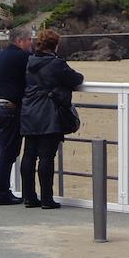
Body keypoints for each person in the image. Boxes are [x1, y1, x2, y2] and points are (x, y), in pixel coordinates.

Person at [19, 29, 84, 209]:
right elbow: (76, 79)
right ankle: (47, 198)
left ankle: (29, 197)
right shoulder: (55, 64)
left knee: (29, 155)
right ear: (55, 45)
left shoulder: (30, 61)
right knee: (46, 156)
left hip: (29, 111)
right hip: (48, 113)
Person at [0, 28, 33, 205]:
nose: (31, 43)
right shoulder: (22, 56)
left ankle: (3, 191)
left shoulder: (1, 55)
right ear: (20, 41)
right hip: (8, 109)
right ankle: (1, 194)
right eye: (29, 40)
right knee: (6, 155)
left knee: (5, 153)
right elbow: (39, 66)